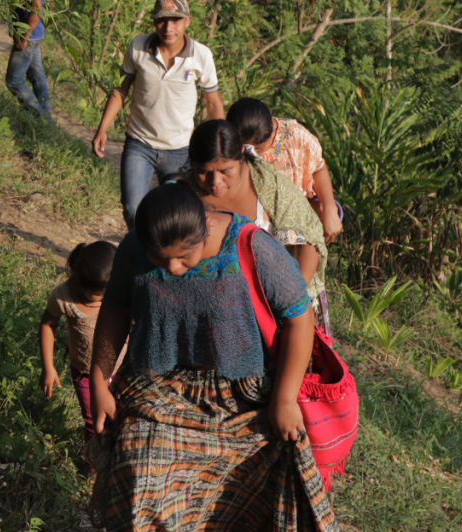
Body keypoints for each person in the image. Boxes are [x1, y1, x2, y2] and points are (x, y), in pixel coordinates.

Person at [89, 183, 348, 532]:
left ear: (206, 227)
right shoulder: (136, 247)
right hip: (162, 386)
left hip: (243, 390)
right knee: (137, 454)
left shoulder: (252, 246)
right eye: (161, 259)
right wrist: (100, 381)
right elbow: (115, 309)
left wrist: (283, 399)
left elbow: (299, 319)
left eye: (184, 257)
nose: (172, 268)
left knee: (273, 454)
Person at [183, 120, 332, 333]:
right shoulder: (182, 194)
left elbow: (309, 240)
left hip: (278, 310)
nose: (215, 181)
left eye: (226, 170)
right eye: (204, 172)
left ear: (242, 158)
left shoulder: (268, 184)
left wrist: (291, 302)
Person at [91, 0, 225, 230]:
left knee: (176, 214)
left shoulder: (200, 55)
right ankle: (142, 253)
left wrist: (220, 148)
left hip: (180, 150)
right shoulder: (138, 47)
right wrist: (102, 128)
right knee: (133, 208)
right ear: (154, 21)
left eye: (175, 20)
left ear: (187, 22)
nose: (168, 27)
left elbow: (212, 102)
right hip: (139, 144)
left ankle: (163, 257)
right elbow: (121, 89)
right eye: (162, 20)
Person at [227, 97, 343, 245]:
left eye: (257, 148)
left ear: (270, 132)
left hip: (293, 219)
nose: (250, 152)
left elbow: (317, 168)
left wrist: (329, 209)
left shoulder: (297, 137)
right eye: (244, 147)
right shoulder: (226, 142)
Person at [39, 242, 122, 443]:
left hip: (122, 371)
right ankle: (92, 469)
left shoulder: (122, 291)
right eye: (94, 296)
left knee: (121, 420)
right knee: (95, 423)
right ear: (78, 280)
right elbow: (47, 325)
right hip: (85, 372)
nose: (99, 301)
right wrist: (48, 368)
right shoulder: (64, 297)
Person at [6, 0, 52, 122]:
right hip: (35, 34)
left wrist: (24, 37)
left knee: (14, 81)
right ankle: (47, 118)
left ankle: (43, 120)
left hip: (28, 36)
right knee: (38, 77)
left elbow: (36, 10)